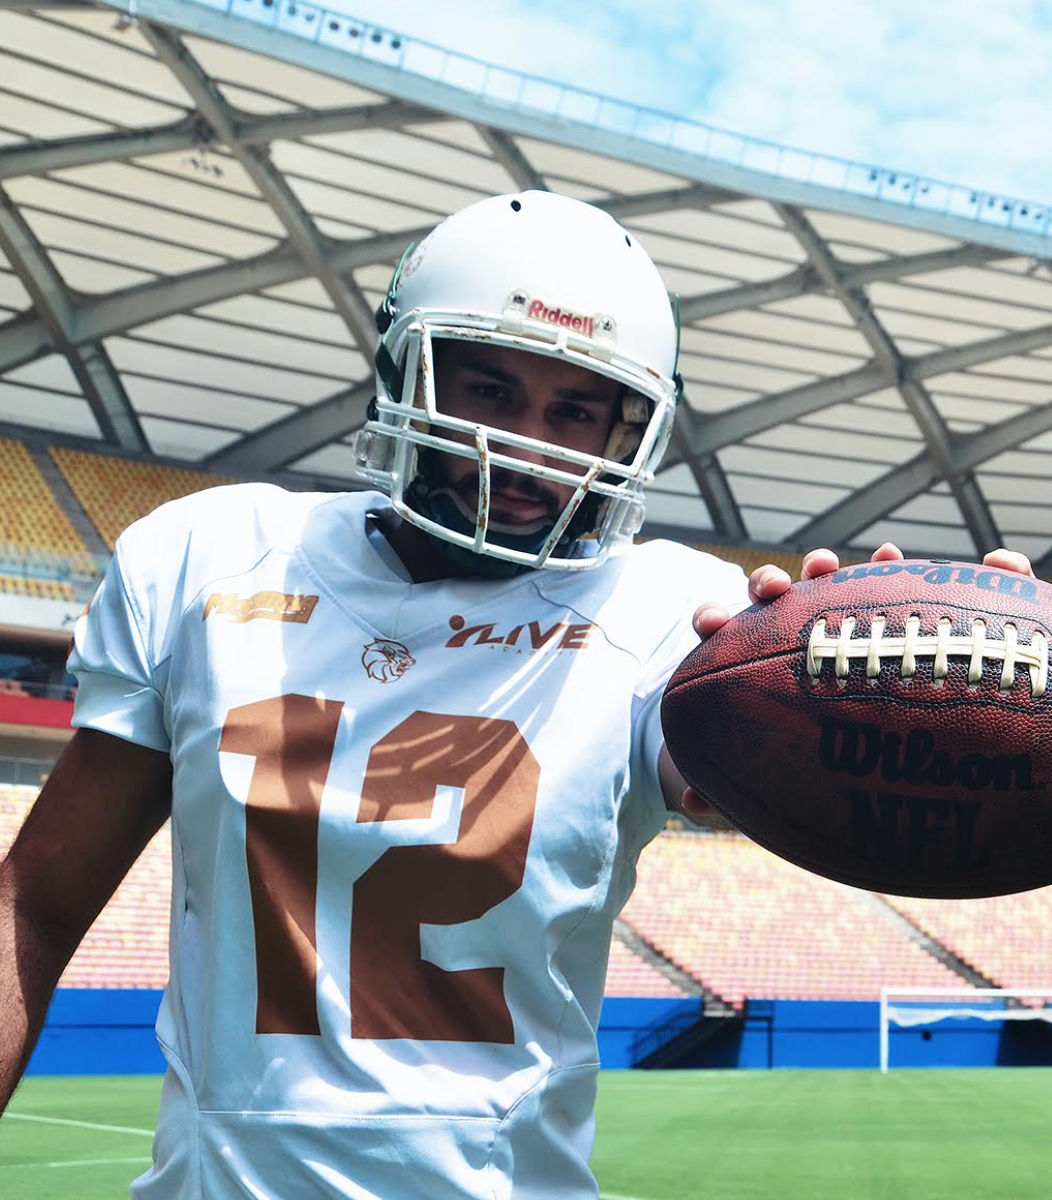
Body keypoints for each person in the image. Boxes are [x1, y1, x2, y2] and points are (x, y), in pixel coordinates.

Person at [0, 190, 766, 1199]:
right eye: (489, 391)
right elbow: (35, 905)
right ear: (409, 372)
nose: (527, 447)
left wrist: (970, 699)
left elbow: (838, 791)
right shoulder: (203, 559)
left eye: (575, 409)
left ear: (628, 430)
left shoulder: (681, 615)